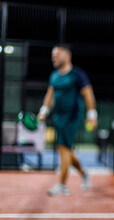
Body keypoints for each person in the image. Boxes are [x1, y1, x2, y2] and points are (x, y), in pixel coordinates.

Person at [38, 43, 98, 196]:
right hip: (57, 117)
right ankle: (84, 173)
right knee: (66, 149)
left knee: (63, 148)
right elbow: (50, 95)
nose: (54, 58)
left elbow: (88, 93)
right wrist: (44, 111)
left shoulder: (77, 74)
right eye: (53, 56)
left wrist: (92, 115)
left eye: (57, 55)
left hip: (72, 117)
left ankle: (62, 185)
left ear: (67, 55)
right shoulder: (54, 76)